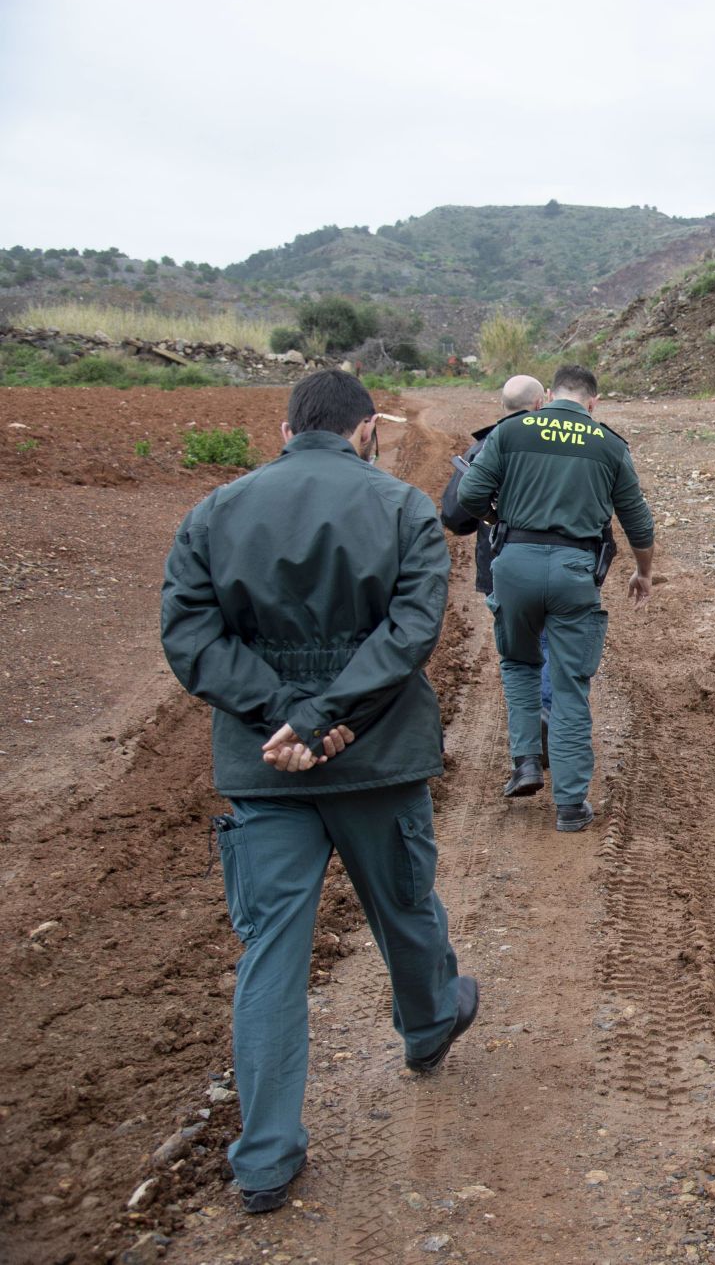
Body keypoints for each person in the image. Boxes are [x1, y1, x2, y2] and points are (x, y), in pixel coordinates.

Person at [161, 370, 478, 1214]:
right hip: (376, 757)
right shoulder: (404, 508)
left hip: (266, 767)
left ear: (284, 429)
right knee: (404, 908)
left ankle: (265, 1160)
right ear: (366, 429)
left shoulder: (214, 512)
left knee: (271, 951)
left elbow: (188, 635)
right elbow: (412, 630)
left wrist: (284, 718)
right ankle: (428, 1028)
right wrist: (323, 717)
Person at [455, 364, 653, 831]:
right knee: (569, 684)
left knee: (519, 664)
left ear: (549, 394)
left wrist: (503, 521)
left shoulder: (511, 431)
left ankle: (526, 761)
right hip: (573, 570)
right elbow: (638, 522)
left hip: (514, 565)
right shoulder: (609, 444)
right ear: (593, 402)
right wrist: (643, 573)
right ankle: (570, 806)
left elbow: (469, 494)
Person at [439, 374, 612, 759]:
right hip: (568, 563)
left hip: (503, 566)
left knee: (519, 651)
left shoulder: (486, 444)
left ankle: (532, 731)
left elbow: (454, 515)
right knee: (552, 642)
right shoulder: (570, 442)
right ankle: (547, 716)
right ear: (540, 403)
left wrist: (491, 517)